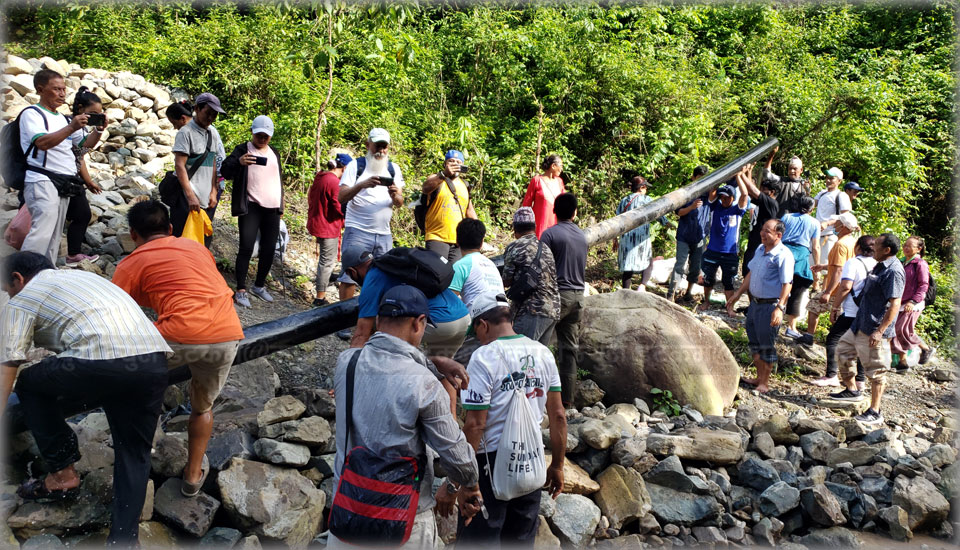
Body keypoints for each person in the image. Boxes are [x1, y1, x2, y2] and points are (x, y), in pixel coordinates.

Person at [0, 251, 171, 546]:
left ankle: (62, 473)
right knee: (134, 453)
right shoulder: (84, 278)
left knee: (29, 382)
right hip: (153, 362)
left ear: (17, 278)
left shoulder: (24, 296)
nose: (9, 296)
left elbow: (9, 364)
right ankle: (123, 541)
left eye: (7, 289)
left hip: (100, 362)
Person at [329, 285, 481, 549]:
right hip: (402, 521)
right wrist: (469, 484)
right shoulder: (425, 384)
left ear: (379, 320)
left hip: (348, 511)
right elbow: (457, 456)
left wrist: (432, 362)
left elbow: (388, 361)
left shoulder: (346, 362)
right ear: (419, 322)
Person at [111, 199, 245, 498]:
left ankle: (139, 458)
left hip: (177, 336)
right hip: (227, 333)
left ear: (133, 234)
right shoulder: (197, 248)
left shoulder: (131, 263)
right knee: (203, 407)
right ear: (171, 228)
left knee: (129, 380)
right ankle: (193, 476)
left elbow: (115, 312)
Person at [458, 293, 567, 547]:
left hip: (490, 464)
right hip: (530, 459)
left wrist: (461, 481)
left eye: (477, 332)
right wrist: (558, 465)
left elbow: (475, 425)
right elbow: (558, 415)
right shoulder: (543, 353)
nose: (479, 338)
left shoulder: (484, 357)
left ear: (483, 324)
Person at [340, 249, 471, 405]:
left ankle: (384, 388)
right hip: (463, 317)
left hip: (439, 323)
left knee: (381, 325)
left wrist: (346, 376)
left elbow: (361, 334)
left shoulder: (373, 277)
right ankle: (451, 417)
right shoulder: (395, 263)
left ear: (352, 271)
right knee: (442, 370)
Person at [829, 233, 905, 425]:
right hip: (859, 323)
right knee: (843, 351)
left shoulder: (893, 271)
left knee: (876, 371)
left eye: (877, 245)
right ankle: (852, 390)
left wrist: (880, 331)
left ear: (887, 250)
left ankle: (875, 411)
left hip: (874, 328)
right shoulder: (879, 264)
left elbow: (895, 304)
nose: (872, 247)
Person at [19, 69, 88, 265]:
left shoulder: (63, 119)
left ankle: (44, 272)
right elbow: (42, 143)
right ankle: (23, 273)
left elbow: (83, 146)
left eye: (64, 89)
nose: (62, 94)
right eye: (56, 89)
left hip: (64, 181)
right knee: (42, 232)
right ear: (40, 90)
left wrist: (99, 131)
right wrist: (72, 127)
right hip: (42, 178)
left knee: (55, 234)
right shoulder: (32, 114)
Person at [221, 115, 284, 308]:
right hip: (251, 206)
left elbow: (278, 179)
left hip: (272, 208)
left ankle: (259, 285)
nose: (262, 139)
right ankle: (241, 289)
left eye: (266, 136)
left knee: (269, 248)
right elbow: (225, 171)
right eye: (259, 135)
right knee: (246, 247)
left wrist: (281, 205)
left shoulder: (274, 152)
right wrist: (239, 162)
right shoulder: (243, 150)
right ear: (252, 133)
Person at [336, 128, 404, 304]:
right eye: (377, 146)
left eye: (384, 146)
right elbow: (341, 197)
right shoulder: (356, 166)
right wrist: (362, 185)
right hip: (357, 230)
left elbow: (400, 202)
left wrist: (395, 194)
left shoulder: (393, 169)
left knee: (384, 277)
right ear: (368, 145)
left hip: (384, 233)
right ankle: (343, 316)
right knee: (349, 277)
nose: (381, 150)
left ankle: (375, 316)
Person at [725, 219, 794, 393]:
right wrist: (738, 294)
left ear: (778, 235)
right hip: (755, 304)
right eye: (762, 230)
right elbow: (751, 273)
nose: (762, 233)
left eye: (767, 231)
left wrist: (779, 308)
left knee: (766, 344)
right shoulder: (760, 249)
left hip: (770, 306)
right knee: (754, 342)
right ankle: (758, 377)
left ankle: (765, 382)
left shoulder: (784, 255)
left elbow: (787, 284)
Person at [810, 235, 876, 389]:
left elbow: (846, 286)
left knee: (833, 338)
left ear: (857, 247)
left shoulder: (853, 262)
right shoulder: (877, 264)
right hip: (869, 311)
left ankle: (831, 375)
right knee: (862, 343)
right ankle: (860, 380)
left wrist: (835, 307)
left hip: (852, 310)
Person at [540, 193, 587, 408]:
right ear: (575, 213)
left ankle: (539, 396)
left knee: (539, 346)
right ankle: (567, 400)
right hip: (578, 297)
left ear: (554, 211)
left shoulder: (550, 234)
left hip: (557, 296)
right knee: (569, 350)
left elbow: (541, 267)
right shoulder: (582, 236)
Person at [170, 93, 227, 245]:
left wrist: (214, 191)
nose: (211, 118)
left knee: (201, 244)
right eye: (208, 113)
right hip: (186, 200)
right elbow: (180, 165)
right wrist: (190, 196)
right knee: (182, 242)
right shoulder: (185, 133)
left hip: (206, 200)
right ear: (197, 109)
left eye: (214, 115)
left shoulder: (213, 133)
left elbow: (213, 162)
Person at [799, 212, 859, 347]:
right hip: (846, 287)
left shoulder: (840, 244)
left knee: (815, 306)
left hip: (837, 288)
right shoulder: (853, 242)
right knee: (836, 315)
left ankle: (812, 337)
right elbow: (843, 264)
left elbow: (839, 270)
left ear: (843, 226)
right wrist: (824, 266)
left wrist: (828, 292)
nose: (834, 225)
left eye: (837, 223)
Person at [502, 206, 560, 344]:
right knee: (538, 355)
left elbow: (506, 281)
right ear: (534, 227)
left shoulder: (515, 247)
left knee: (520, 352)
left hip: (532, 310)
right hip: (553, 309)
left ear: (514, 229)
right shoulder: (545, 248)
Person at [64, 86, 106, 266]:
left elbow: (79, 155)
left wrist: (88, 181)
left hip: (72, 177)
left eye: (99, 114)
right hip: (64, 177)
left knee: (81, 214)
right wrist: (98, 131)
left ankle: (71, 253)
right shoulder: (71, 125)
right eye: (93, 114)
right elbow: (84, 148)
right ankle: (72, 254)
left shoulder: (79, 127)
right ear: (80, 108)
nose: (95, 117)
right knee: (82, 214)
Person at [699, 173, 749, 311]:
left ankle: (729, 307)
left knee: (728, 282)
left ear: (733, 197)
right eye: (722, 197)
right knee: (708, 279)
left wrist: (739, 175)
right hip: (712, 250)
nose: (724, 199)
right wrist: (723, 176)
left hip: (730, 253)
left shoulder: (737, 210)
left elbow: (745, 195)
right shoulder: (715, 207)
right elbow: (712, 192)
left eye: (727, 197)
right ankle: (706, 302)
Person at [613, 176, 672, 291]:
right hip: (641, 237)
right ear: (641, 187)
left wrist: (614, 238)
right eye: (645, 187)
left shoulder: (624, 201)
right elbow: (657, 212)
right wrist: (667, 223)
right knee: (648, 262)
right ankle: (642, 286)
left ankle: (626, 291)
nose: (646, 190)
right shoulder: (646, 200)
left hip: (626, 237)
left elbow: (616, 220)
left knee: (628, 265)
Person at [307, 153, 350, 306]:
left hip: (318, 222)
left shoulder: (321, 176)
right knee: (327, 261)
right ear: (344, 168)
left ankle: (326, 279)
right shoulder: (333, 182)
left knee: (326, 259)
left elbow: (310, 195)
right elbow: (339, 206)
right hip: (328, 226)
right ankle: (320, 297)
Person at [422, 149, 477, 262]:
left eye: (458, 162)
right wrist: (444, 175)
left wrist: (478, 231)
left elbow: (469, 210)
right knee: (437, 270)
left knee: (455, 272)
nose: (455, 164)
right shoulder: (436, 179)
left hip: (458, 241)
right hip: (436, 237)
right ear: (445, 164)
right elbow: (425, 189)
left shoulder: (465, 185)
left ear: (462, 165)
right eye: (451, 161)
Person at [667, 165, 711, 302]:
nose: (701, 181)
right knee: (680, 265)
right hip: (684, 236)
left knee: (696, 267)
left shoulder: (708, 194)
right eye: (699, 178)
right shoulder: (685, 194)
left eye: (704, 178)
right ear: (693, 177)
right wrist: (691, 207)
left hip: (700, 236)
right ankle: (671, 294)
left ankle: (688, 293)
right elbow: (679, 212)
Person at [779, 197, 821, 338]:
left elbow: (778, 234)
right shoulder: (814, 222)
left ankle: (772, 317)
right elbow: (815, 246)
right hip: (801, 255)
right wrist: (817, 266)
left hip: (783, 251)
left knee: (778, 285)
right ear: (812, 209)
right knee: (798, 289)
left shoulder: (787, 217)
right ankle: (791, 326)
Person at [891, 236, 934, 371]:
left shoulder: (920, 264)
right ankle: (903, 362)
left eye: (909, 246)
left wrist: (913, 301)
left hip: (913, 303)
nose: (906, 248)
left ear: (919, 249)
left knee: (902, 329)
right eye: (905, 245)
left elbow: (923, 285)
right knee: (897, 330)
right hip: (899, 301)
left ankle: (924, 349)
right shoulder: (900, 262)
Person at [740, 168, 781, 277]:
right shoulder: (764, 202)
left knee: (754, 272)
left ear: (772, 192)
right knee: (748, 270)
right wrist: (748, 171)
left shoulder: (771, 203)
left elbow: (753, 190)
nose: (761, 191)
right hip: (754, 241)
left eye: (763, 189)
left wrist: (741, 174)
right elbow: (750, 191)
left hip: (761, 243)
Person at [813, 167, 849, 271]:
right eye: (827, 177)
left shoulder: (841, 195)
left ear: (839, 181)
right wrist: (807, 191)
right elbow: (810, 206)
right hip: (816, 235)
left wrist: (827, 223)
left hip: (830, 235)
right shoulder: (822, 193)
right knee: (814, 266)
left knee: (827, 267)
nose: (828, 180)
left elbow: (846, 217)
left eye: (832, 178)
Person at [521, 154, 565, 238]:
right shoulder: (536, 180)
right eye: (561, 166)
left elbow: (565, 203)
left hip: (556, 226)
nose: (561, 169)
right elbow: (526, 205)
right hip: (539, 227)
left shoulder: (559, 182)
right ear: (553, 166)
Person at [763, 146, 810, 216]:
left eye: (794, 169)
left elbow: (808, 205)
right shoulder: (781, 181)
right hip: (781, 220)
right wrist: (771, 155)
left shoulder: (804, 184)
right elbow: (766, 174)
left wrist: (807, 191)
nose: (791, 171)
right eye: (790, 168)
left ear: (801, 170)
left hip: (797, 221)